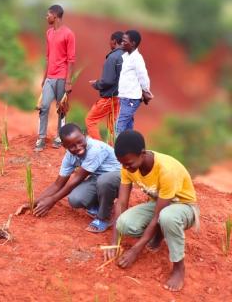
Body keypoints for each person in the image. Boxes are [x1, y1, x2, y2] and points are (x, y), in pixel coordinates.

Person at [105, 130, 198, 292]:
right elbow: (121, 203)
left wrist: (136, 250)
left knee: (166, 217)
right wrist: (114, 242)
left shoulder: (166, 170)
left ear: (142, 153)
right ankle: (158, 234)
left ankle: (178, 267)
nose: (126, 167)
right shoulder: (127, 167)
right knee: (124, 224)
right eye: (122, 164)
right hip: (160, 205)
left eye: (129, 163)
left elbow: (157, 215)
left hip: (184, 207)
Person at [19, 123, 121, 233]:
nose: (78, 148)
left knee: (104, 181)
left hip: (119, 178)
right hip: (98, 178)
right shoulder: (69, 156)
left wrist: (52, 200)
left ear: (84, 135)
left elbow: (77, 179)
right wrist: (33, 203)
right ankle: (101, 206)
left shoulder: (95, 148)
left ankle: (104, 218)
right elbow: (58, 184)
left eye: (80, 142)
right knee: (75, 199)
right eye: (72, 146)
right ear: (64, 146)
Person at [35, 5, 76, 152]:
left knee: (61, 109)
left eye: (48, 15)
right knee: (44, 106)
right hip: (50, 77)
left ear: (55, 16)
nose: (46, 17)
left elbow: (71, 59)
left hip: (62, 77)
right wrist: (45, 77)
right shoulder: (49, 33)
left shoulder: (68, 34)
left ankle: (60, 137)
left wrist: (68, 81)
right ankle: (41, 138)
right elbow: (48, 56)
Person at [85, 31, 123, 143]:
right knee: (113, 125)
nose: (109, 44)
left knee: (90, 120)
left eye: (110, 41)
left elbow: (108, 81)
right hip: (121, 97)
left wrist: (96, 84)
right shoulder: (127, 56)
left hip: (110, 97)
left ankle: (100, 148)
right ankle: (114, 150)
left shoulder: (112, 58)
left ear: (114, 41)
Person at [116, 30, 153, 134]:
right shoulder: (127, 57)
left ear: (133, 43)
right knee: (127, 127)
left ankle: (117, 149)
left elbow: (143, 76)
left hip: (130, 99)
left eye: (124, 41)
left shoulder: (137, 58)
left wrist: (146, 91)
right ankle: (130, 148)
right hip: (125, 98)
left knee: (119, 126)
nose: (122, 43)